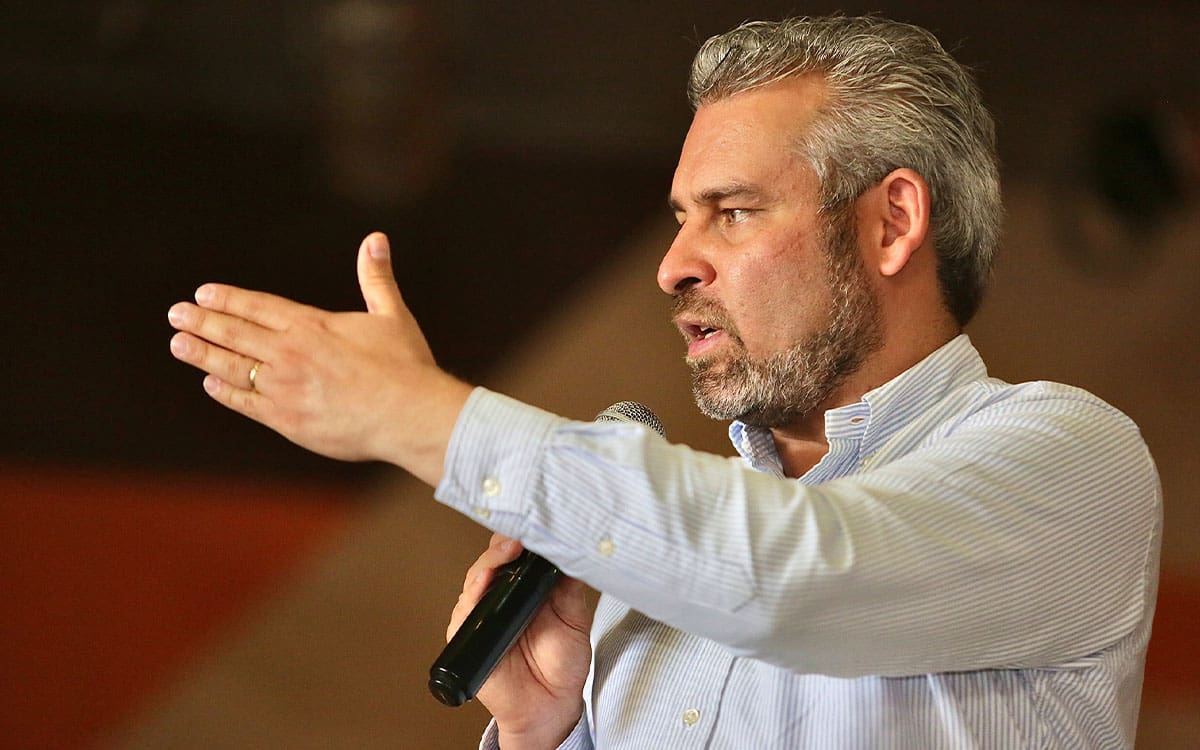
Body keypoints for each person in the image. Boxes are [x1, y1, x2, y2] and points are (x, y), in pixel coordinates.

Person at [167, 15, 1160, 749]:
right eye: (682, 218)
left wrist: (412, 412)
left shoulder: (1071, 461)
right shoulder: (643, 568)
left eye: (732, 211)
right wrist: (541, 733)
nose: (673, 265)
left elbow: (792, 578)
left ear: (892, 223)